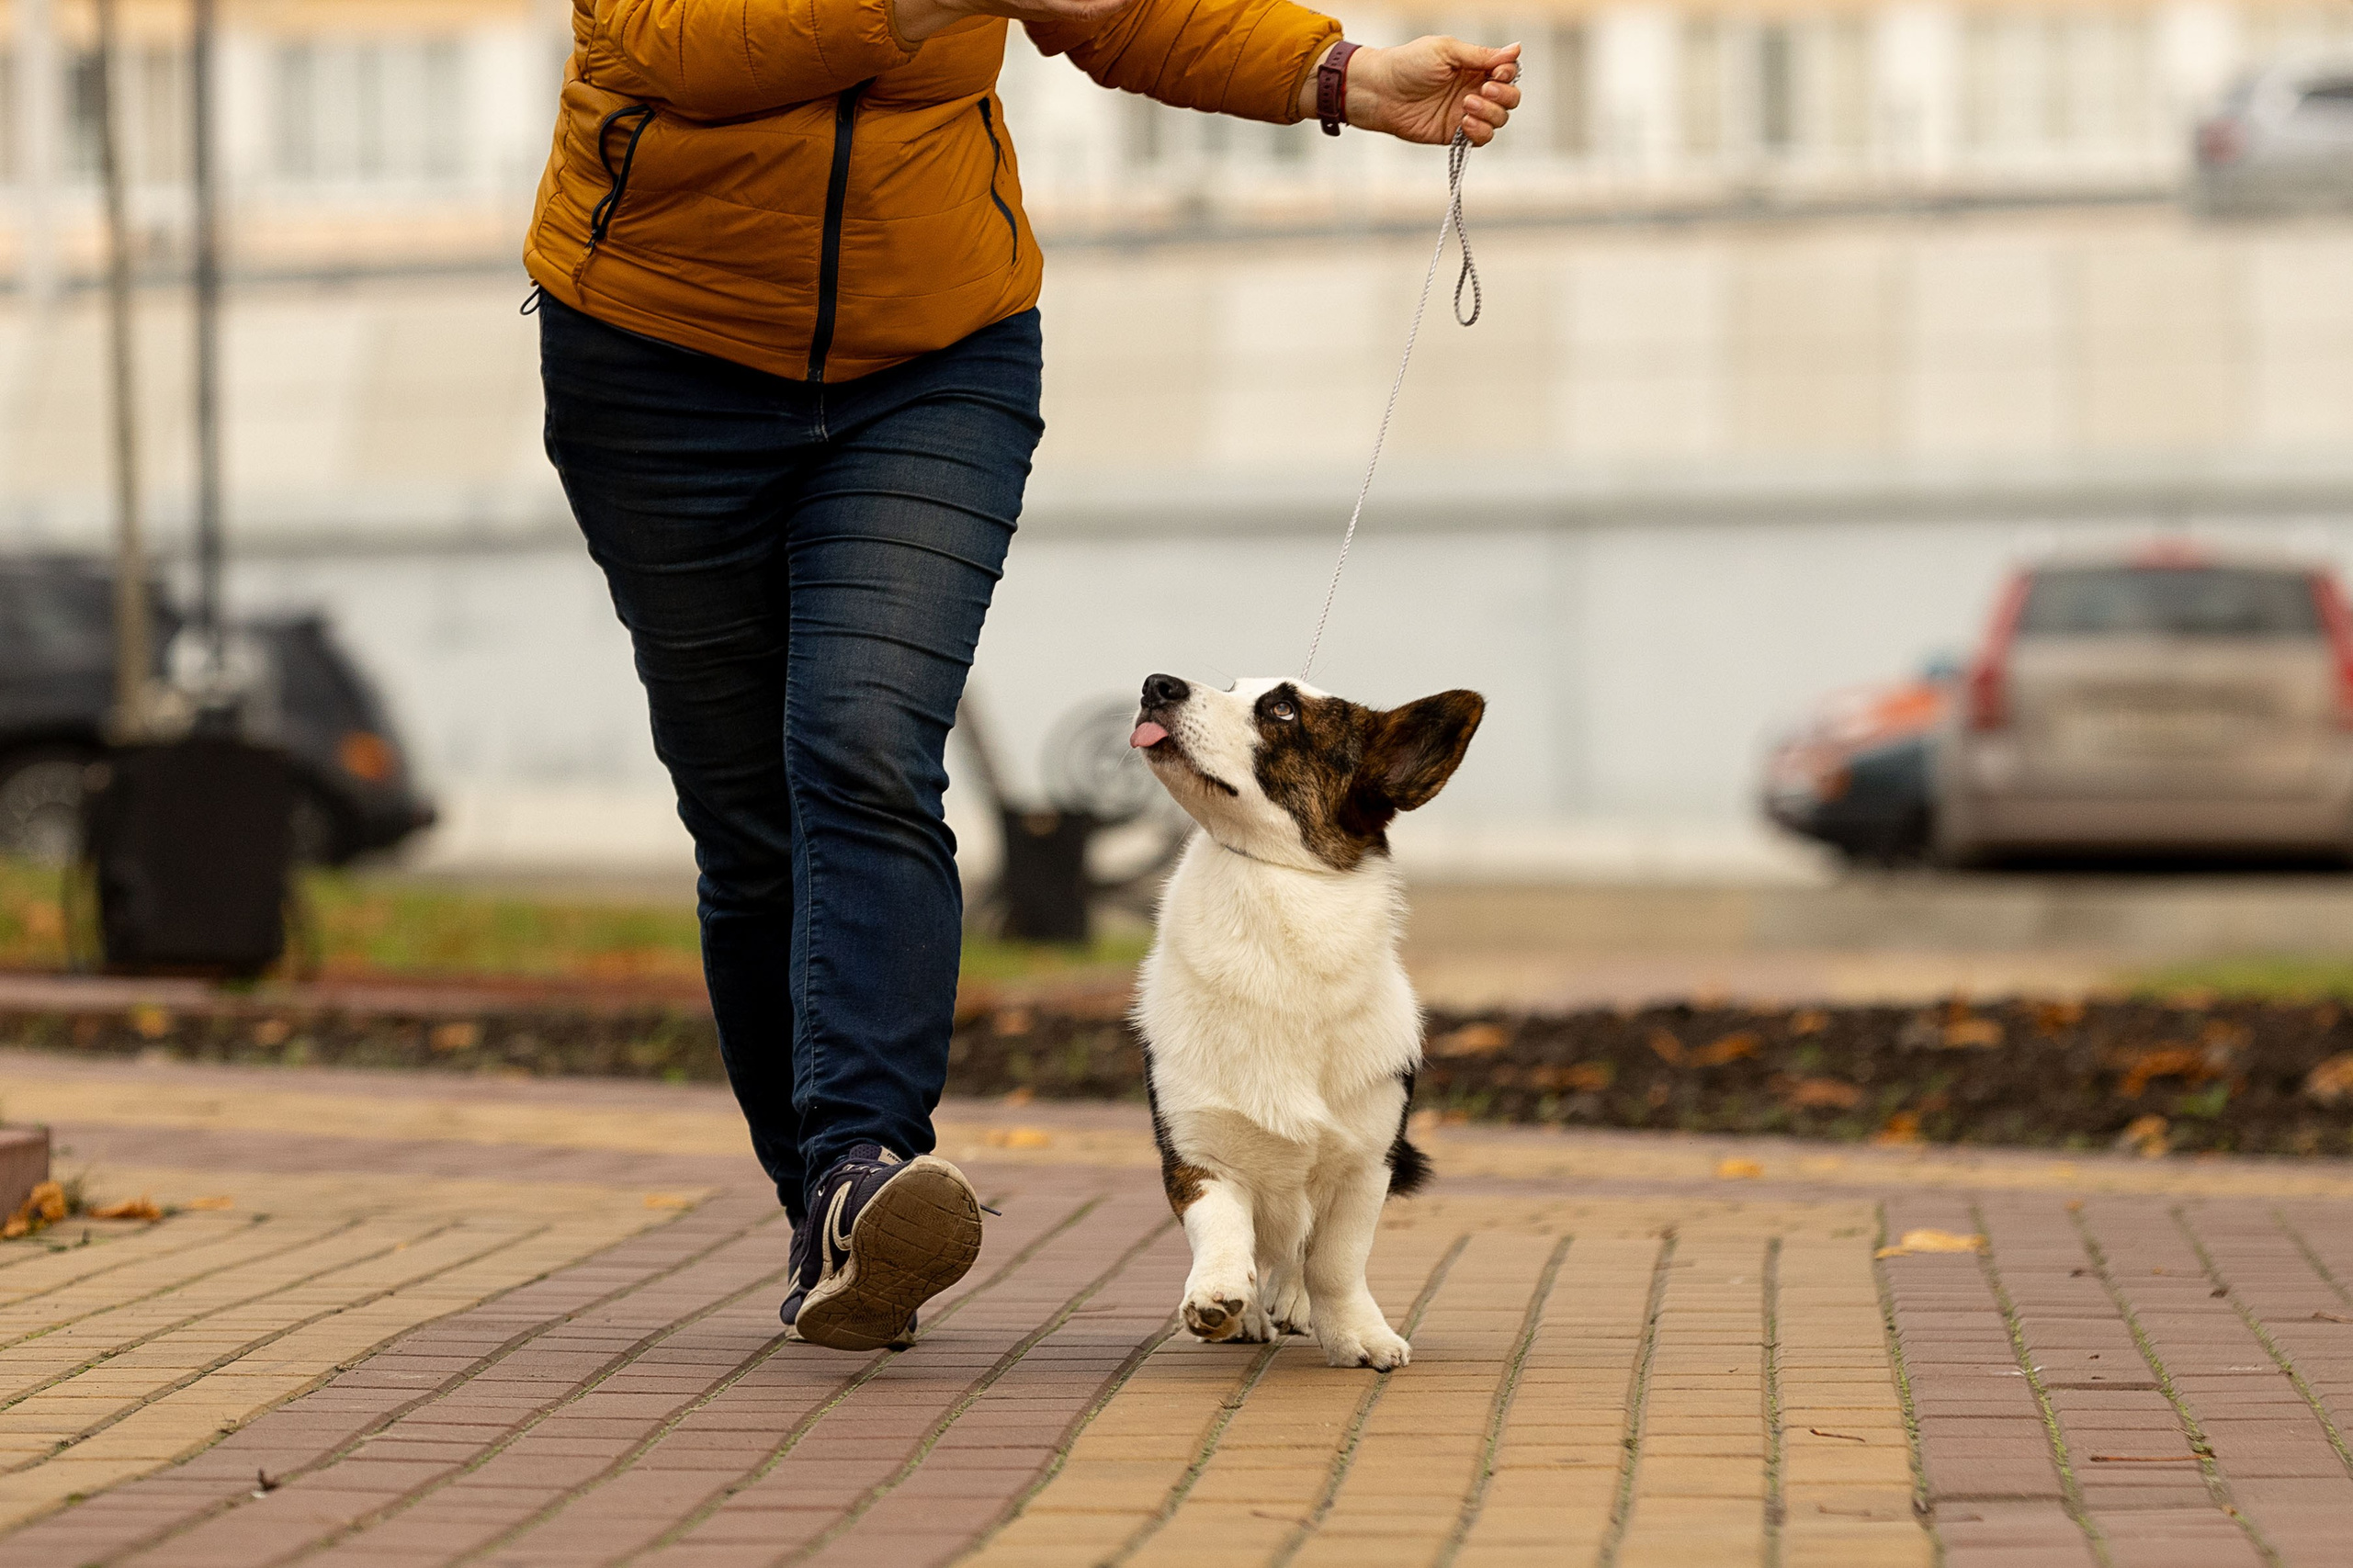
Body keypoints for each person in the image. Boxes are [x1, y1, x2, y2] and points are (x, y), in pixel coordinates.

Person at [526, 0, 1519, 1351]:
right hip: (654, 361)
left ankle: (863, 1170)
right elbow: (670, 44)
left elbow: (1129, 10)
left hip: (935, 360)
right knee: (749, 817)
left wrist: (1338, 73)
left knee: (865, 745)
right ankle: (821, 1203)